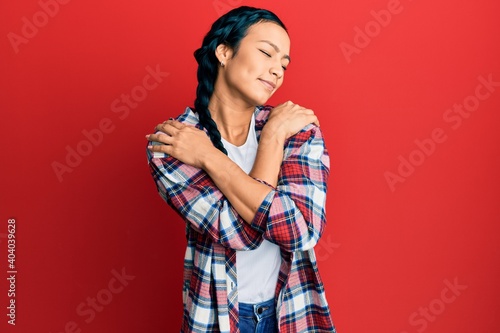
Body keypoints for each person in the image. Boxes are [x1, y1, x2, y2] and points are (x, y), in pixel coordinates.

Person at [146, 6, 336, 333]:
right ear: (224, 51)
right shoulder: (173, 142)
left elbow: (301, 230)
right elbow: (243, 233)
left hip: (291, 311)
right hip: (217, 317)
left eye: (284, 64)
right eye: (266, 53)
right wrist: (206, 150)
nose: (277, 71)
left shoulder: (293, 128)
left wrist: (215, 155)